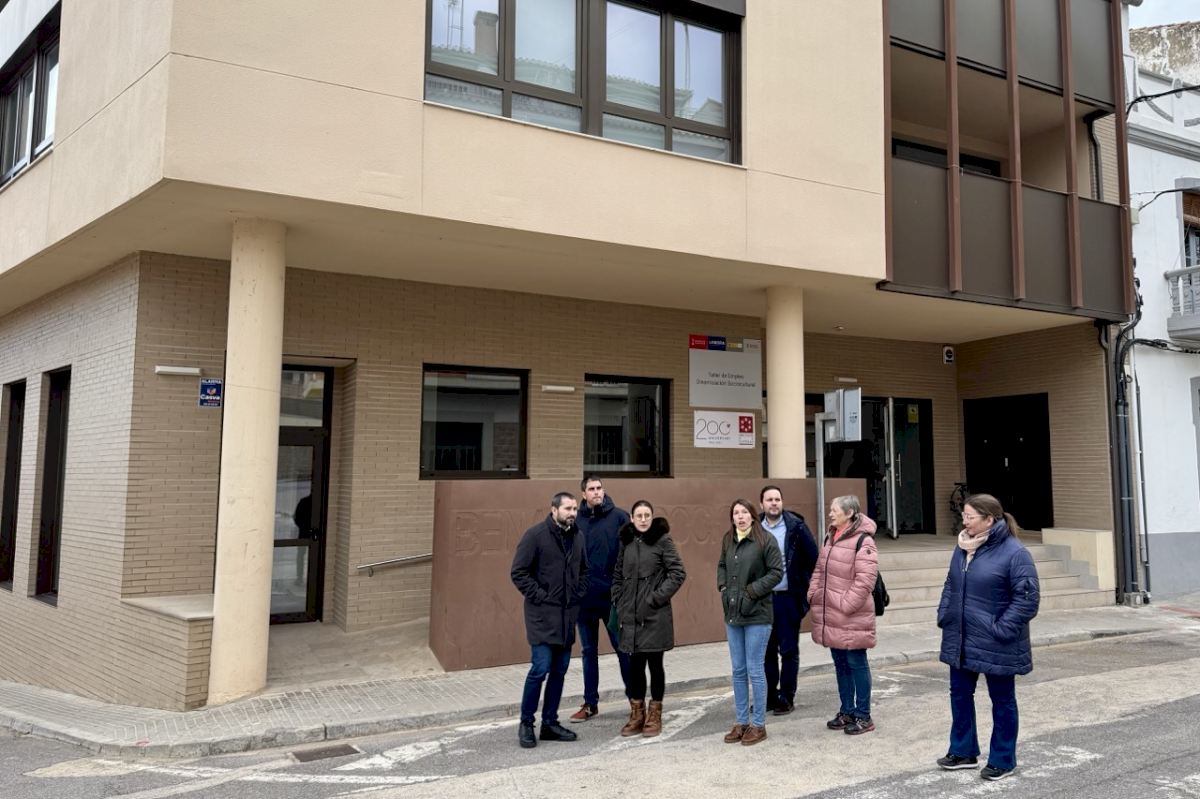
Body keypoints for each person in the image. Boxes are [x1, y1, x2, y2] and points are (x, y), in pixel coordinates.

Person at [935, 493, 1040, 781]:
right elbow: (951, 584)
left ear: (989, 520)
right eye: (964, 516)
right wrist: (945, 613)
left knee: (1002, 700)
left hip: (996, 640)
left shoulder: (1015, 552)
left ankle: (1003, 760)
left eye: (970, 517)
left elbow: (1027, 599)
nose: (964, 522)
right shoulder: (962, 547)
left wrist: (1001, 628)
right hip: (960, 635)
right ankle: (963, 751)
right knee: (959, 694)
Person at [510, 492, 589, 749]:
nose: (572, 513)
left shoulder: (578, 537)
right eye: (567, 508)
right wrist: (542, 596)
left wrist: (578, 593)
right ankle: (526, 723)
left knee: (559, 671)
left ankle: (550, 723)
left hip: (567, 617)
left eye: (575, 508)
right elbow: (518, 573)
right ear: (554, 510)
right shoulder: (535, 536)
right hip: (542, 617)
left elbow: (584, 571)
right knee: (540, 669)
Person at [611, 500, 686, 737]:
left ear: (652, 518)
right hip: (630, 616)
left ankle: (655, 715)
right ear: (632, 518)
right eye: (639, 515)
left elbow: (678, 573)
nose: (643, 519)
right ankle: (637, 714)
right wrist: (618, 599)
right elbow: (617, 574)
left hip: (654, 616)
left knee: (655, 665)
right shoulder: (626, 542)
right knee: (635, 667)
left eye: (647, 515)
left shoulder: (662, 541)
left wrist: (655, 598)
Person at [808, 495, 879, 736]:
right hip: (831, 613)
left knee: (856, 663)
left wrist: (844, 604)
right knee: (840, 664)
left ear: (849, 513)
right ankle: (847, 710)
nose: (830, 513)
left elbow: (865, 580)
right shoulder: (830, 536)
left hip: (851, 614)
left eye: (834, 510)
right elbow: (819, 570)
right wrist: (813, 593)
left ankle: (863, 715)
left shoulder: (863, 540)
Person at [717, 499, 784, 746]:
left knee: (755, 669)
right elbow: (722, 565)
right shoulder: (728, 539)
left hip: (757, 614)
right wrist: (723, 588)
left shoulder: (765, 540)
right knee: (738, 670)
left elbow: (776, 573)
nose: (740, 516)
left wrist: (752, 591)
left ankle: (758, 725)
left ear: (753, 515)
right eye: (736, 513)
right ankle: (742, 721)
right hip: (733, 613)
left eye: (744, 512)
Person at [570, 475, 631, 722]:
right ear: (583, 494)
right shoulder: (576, 521)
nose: (597, 492)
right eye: (591, 489)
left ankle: (636, 701)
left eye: (599, 488)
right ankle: (590, 703)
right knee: (588, 652)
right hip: (584, 600)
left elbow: (630, 554)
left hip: (612, 599)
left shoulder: (619, 517)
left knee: (622, 649)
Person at [759, 485, 818, 715]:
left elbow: (813, 560)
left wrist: (805, 593)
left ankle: (786, 697)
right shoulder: (754, 528)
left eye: (777, 499)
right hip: (762, 601)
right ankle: (770, 697)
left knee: (789, 651)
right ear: (762, 504)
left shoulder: (796, 527)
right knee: (766, 652)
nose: (774, 503)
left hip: (788, 600)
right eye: (769, 499)